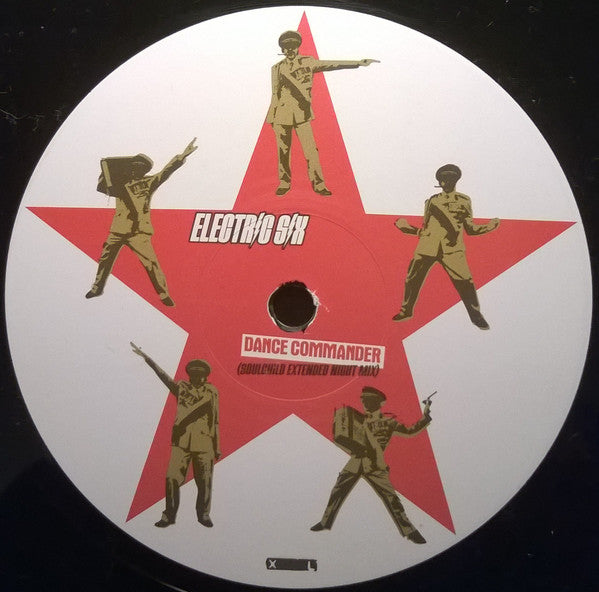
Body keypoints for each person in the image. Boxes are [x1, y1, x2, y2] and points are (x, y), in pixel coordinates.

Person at [310, 386, 432, 544]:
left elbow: (410, 430)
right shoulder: (357, 418)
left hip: (375, 464)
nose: (364, 403)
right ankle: (325, 522)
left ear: (378, 403)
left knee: (391, 498)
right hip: (356, 461)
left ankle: (410, 531)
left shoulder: (388, 421)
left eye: (368, 400)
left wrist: (425, 415)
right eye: (363, 400)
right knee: (337, 491)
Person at [85, 139, 197, 306]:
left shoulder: (148, 183)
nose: (135, 169)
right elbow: (101, 187)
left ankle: (163, 294)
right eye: (134, 166)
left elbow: (165, 172)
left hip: (138, 232)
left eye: (140, 167)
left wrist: (181, 156)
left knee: (151, 263)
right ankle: (96, 288)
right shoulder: (119, 184)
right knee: (105, 260)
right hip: (118, 230)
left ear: (144, 170)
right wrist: (106, 169)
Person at [266, 30, 378, 196]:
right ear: (282, 50)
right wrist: (271, 117)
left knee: (311, 151)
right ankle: (284, 183)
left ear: (297, 48)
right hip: (281, 116)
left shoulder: (308, 62)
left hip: (302, 114)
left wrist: (358, 63)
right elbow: (275, 93)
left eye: (293, 46)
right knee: (283, 152)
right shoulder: (276, 68)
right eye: (287, 47)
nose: (290, 50)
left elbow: (331, 64)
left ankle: (319, 185)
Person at [393, 164, 500, 329]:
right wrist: (412, 230)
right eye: (443, 179)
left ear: (455, 180)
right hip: (427, 246)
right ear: (439, 182)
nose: (445, 182)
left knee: (465, 282)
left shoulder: (464, 200)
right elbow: (426, 225)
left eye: (449, 179)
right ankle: (406, 311)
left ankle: (476, 316)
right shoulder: (432, 200)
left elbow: (470, 229)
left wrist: (490, 226)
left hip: (452, 249)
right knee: (412, 279)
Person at [130, 342, 219, 528]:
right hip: (182, 442)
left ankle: (203, 514)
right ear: (191, 375)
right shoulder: (182, 388)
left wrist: (216, 446)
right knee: (172, 478)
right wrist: (148, 360)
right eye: (195, 375)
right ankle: (169, 516)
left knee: (204, 482)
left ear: (205, 376)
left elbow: (214, 420)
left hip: (204, 443)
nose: (198, 378)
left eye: (201, 375)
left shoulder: (211, 392)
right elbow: (165, 377)